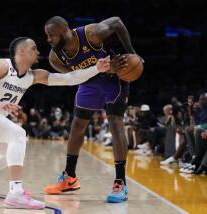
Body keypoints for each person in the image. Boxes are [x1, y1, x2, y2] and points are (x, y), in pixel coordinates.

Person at [0, 37, 111, 209]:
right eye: (34, 48)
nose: (38, 52)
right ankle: (15, 193)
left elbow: (68, 78)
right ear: (21, 51)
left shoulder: (33, 76)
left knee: (10, 152)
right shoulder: (1, 65)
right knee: (18, 134)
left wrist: (96, 68)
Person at [44, 16, 139, 203]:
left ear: (64, 32)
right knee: (77, 125)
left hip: (114, 81)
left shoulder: (91, 34)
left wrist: (132, 54)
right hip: (89, 84)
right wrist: (103, 69)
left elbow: (118, 22)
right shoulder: (55, 57)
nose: (48, 40)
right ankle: (69, 177)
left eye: (51, 35)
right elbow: (75, 78)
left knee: (115, 122)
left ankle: (121, 182)